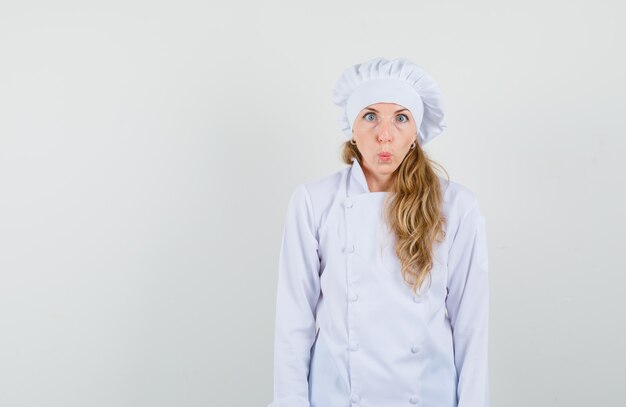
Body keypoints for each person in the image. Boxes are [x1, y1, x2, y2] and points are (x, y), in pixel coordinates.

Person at [267, 57, 490, 407]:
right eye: (370, 117)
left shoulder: (457, 206)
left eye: (401, 118)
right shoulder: (313, 201)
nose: (384, 134)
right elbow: (293, 322)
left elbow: (471, 326)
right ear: (352, 130)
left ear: (415, 133)